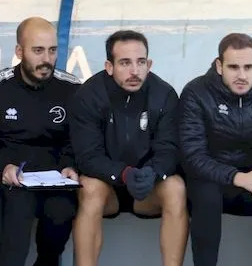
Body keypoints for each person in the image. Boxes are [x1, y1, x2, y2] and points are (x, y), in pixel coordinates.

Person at [178, 33, 252, 266]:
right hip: (210, 179)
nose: (242, 75)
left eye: (248, 67)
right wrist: (239, 178)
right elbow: (193, 156)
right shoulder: (196, 92)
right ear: (219, 66)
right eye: (233, 67)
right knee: (207, 196)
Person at [69, 30, 188, 266]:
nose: (135, 71)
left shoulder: (164, 94)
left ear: (149, 64)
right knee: (89, 187)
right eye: (125, 63)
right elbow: (88, 156)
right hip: (108, 189)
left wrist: (153, 172)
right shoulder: (88, 95)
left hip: (148, 188)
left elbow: (170, 149)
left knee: (176, 187)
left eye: (141, 62)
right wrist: (123, 174)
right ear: (109, 66)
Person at [0, 17, 81, 266]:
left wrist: (71, 165)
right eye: (38, 50)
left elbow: (80, 139)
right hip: (12, 177)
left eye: (52, 50)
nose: (46, 59)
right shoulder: (2, 87)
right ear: (19, 52)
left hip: (55, 179)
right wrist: (3, 166)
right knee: (16, 215)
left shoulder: (72, 89)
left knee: (61, 212)